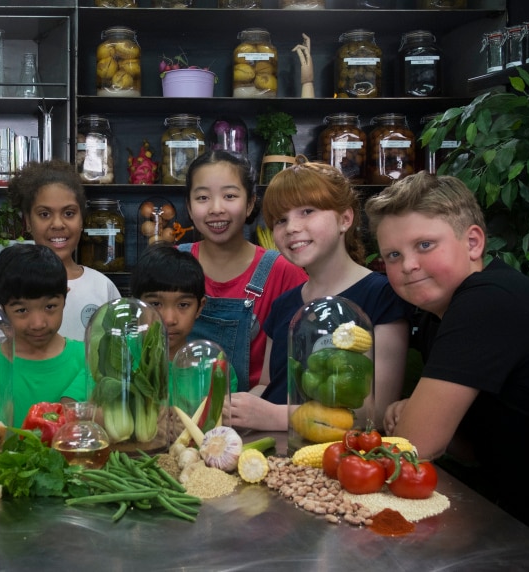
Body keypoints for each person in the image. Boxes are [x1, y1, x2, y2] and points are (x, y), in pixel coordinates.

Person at [365, 171, 529, 563]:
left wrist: (414, 419)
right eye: (393, 255)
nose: (408, 265)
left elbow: (411, 449)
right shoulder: (439, 318)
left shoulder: (485, 303)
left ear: (472, 242)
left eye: (425, 244)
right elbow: (468, 448)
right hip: (521, 515)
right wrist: (417, 414)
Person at [230, 159, 411, 431]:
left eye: (307, 211)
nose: (291, 227)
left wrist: (275, 416)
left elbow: (375, 410)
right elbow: (269, 385)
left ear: (345, 219)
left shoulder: (381, 295)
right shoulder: (282, 305)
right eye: (281, 220)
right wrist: (240, 408)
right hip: (274, 454)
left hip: (340, 458)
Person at [178, 150, 307, 394]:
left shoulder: (283, 272)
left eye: (229, 196)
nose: (216, 208)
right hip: (178, 418)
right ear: (189, 206)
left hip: (256, 423)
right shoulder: (171, 264)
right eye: (203, 197)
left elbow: (298, 369)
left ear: (249, 204)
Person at [0, 160, 120, 341]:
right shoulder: (3, 281)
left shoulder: (102, 287)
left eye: (69, 213)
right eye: (44, 214)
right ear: (27, 221)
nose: (58, 224)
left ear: (82, 220)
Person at [0, 243, 86, 428]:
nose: (38, 324)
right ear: (1, 307)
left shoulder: (89, 359)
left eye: (50, 307)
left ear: (65, 298)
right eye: (21, 310)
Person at [130, 242, 238, 392]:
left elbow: (221, 414)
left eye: (183, 305)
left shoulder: (214, 368)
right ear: (136, 305)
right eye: (155, 304)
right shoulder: (118, 361)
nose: (169, 319)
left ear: (200, 307)